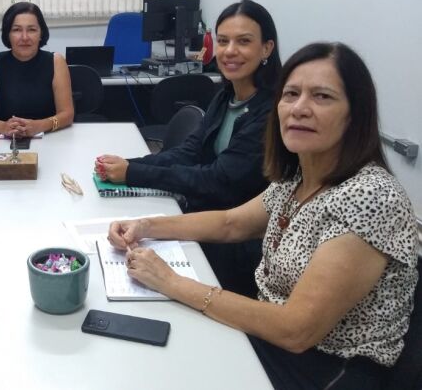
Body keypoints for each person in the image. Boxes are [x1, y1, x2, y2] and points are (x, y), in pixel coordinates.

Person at [108, 42, 418, 390]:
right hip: (273, 339)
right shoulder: (298, 178)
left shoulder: (369, 195)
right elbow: (230, 223)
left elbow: (296, 329)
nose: (299, 108)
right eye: (291, 94)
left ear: (354, 115)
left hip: (328, 367)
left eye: (322, 97)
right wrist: (147, 226)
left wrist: (171, 282)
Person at [96, 0, 282, 296]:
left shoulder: (271, 113)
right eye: (223, 41)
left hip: (235, 248)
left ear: (267, 49)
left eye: (244, 41)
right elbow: (188, 152)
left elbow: (217, 181)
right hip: (202, 222)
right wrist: (130, 164)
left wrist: (134, 173)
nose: (230, 50)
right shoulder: (225, 96)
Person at [0, 2, 74, 137]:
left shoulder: (56, 62)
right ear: (8, 34)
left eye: (32, 29)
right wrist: (2, 127)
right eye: (16, 30)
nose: (25, 37)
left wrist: (40, 126)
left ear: (41, 33)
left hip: (50, 138)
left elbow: (67, 115)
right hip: (3, 142)